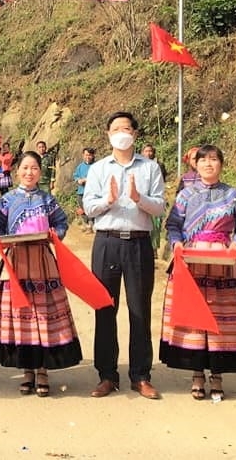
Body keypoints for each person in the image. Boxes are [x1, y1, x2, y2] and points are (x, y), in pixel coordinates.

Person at [0, 151, 81, 397]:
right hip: (14, 264)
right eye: (25, 168)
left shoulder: (48, 199)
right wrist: (0, 241)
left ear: (40, 172)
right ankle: (26, 370)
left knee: (43, 314)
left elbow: (62, 223)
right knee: (20, 314)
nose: (29, 172)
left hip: (43, 263)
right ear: (17, 171)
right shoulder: (6, 201)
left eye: (34, 168)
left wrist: (54, 235)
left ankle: (43, 370)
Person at [159, 145, 236, 400]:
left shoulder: (233, 196)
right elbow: (173, 225)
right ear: (196, 165)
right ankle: (196, 374)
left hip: (221, 263)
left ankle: (217, 375)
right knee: (193, 316)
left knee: (220, 319)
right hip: (191, 263)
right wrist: (177, 243)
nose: (208, 164)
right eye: (203, 160)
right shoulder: (185, 195)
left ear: (221, 165)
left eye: (213, 160)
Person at [83, 111, 165, 399]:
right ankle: (107, 375)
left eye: (126, 128)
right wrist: (107, 200)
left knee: (139, 310)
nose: (121, 132)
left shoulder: (150, 168)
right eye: (116, 128)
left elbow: (159, 207)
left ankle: (141, 375)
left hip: (138, 244)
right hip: (107, 242)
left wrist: (138, 198)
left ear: (135, 133)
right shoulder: (98, 169)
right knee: (105, 308)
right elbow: (88, 207)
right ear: (108, 135)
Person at [72, 147, 96, 228]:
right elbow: (75, 176)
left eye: (89, 155)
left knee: (91, 207)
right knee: (82, 207)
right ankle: (87, 222)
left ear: (93, 155)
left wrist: (88, 179)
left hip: (92, 192)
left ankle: (91, 223)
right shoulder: (80, 166)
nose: (88, 157)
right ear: (83, 155)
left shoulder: (96, 166)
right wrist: (78, 180)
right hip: (81, 191)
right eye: (86, 155)